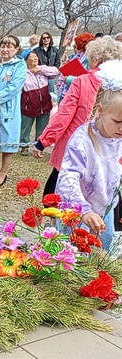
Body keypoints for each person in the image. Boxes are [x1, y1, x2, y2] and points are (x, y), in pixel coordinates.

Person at [33, 36, 122, 195]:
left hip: (76, 145)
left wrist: (43, 141)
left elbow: (63, 117)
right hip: (110, 149)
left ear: (96, 58)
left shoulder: (83, 81)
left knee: (56, 194)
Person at [56, 60, 122, 251]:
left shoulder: (118, 138)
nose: (121, 128)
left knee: (101, 253)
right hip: (77, 211)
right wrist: (83, 210)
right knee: (74, 257)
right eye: (118, 121)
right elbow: (67, 177)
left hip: (105, 208)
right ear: (100, 111)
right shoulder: (82, 140)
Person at [0, 35, 27, 187]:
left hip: (8, 109)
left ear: (16, 49)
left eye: (10, 47)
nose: (5, 49)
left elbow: (14, 87)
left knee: (7, 141)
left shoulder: (19, 65)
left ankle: (3, 173)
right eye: (3, 46)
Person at [19, 49, 59, 155]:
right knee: (25, 126)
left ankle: (39, 146)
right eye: (31, 56)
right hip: (29, 104)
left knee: (42, 126)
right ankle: (24, 146)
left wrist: (40, 69)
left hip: (44, 103)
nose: (35, 58)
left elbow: (56, 72)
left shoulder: (43, 69)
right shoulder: (23, 72)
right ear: (26, 60)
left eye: (35, 56)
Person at [55, 32, 95, 103]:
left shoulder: (89, 59)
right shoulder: (75, 56)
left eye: (76, 43)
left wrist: (68, 79)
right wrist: (65, 64)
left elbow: (88, 80)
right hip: (66, 93)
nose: (74, 45)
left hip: (76, 96)